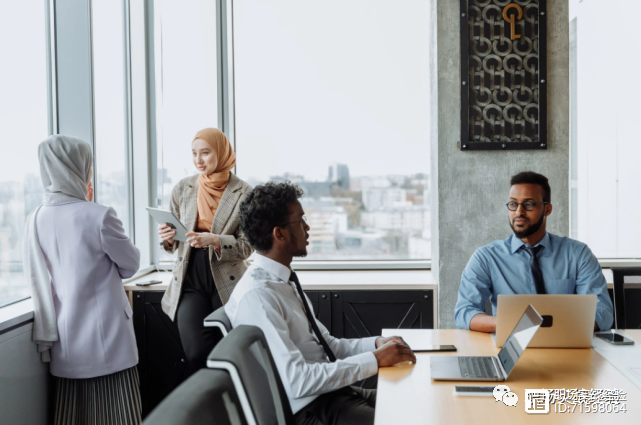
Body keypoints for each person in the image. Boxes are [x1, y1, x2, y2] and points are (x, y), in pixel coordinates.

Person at [225, 181, 416, 425]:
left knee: (419, 402)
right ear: (279, 233)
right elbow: (298, 381)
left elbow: (328, 347)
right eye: (300, 220)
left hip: (333, 394)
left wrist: (377, 344)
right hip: (311, 409)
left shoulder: (283, 280)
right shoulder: (258, 296)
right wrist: (376, 359)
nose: (307, 227)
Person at [24, 135, 141, 425]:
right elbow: (131, 265)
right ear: (79, 167)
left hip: (65, 340)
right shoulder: (99, 215)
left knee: (73, 415)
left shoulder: (35, 219)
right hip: (110, 339)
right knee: (119, 415)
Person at [454, 171, 613, 332]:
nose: (518, 212)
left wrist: (557, 324)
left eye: (529, 204)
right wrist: (512, 323)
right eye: (513, 204)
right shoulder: (486, 257)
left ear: (547, 209)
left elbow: (603, 313)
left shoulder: (578, 254)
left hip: (567, 344)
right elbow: (464, 312)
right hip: (511, 345)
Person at [158, 127, 253, 375]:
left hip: (228, 278)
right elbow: (176, 241)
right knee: (196, 352)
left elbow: (248, 246)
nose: (198, 160)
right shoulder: (183, 188)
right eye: (194, 154)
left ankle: (238, 405)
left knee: (233, 350)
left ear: (221, 153)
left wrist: (216, 240)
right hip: (190, 279)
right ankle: (217, 400)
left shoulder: (245, 192)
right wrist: (168, 238)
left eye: (205, 153)